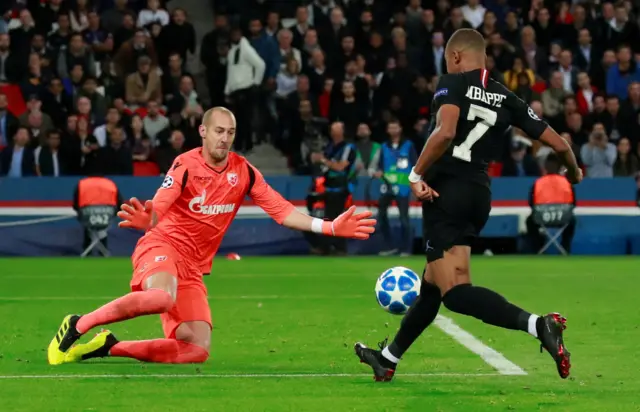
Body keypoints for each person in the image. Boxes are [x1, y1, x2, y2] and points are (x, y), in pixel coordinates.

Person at [48, 107, 376, 366]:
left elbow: (280, 209)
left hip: (192, 265)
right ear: (203, 131)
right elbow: (164, 198)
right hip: (162, 245)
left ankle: (109, 347)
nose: (225, 138)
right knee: (162, 297)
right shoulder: (185, 163)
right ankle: (78, 324)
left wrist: (329, 227)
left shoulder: (243, 171)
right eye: (219, 131)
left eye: (230, 133)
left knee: (196, 349)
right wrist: (151, 216)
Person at [354, 29, 582, 382]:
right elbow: (560, 143)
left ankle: (540, 325)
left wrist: (415, 175)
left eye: (448, 60)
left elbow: (445, 133)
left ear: (456, 57)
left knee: (456, 294)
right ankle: (387, 358)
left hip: (447, 193)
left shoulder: (453, 82)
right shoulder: (508, 98)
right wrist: (573, 171)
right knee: (432, 285)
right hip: (478, 193)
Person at [368, 118, 417, 256]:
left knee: (403, 218)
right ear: (388, 130)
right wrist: (377, 172)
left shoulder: (408, 145)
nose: (393, 130)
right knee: (381, 215)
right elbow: (379, 166)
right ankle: (389, 246)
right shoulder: (384, 147)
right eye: (391, 127)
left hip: (403, 187)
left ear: (400, 129)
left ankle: (406, 249)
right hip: (387, 186)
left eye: (396, 127)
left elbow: (416, 165)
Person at [526, 154, 576, 254]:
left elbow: (531, 204)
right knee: (572, 220)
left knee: (530, 221)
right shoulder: (567, 183)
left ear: (545, 167)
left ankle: (538, 249)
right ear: (560, 168)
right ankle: (565, 248)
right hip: (563, 218)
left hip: (541, 218)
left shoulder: (538, 182)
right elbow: (574, 204)